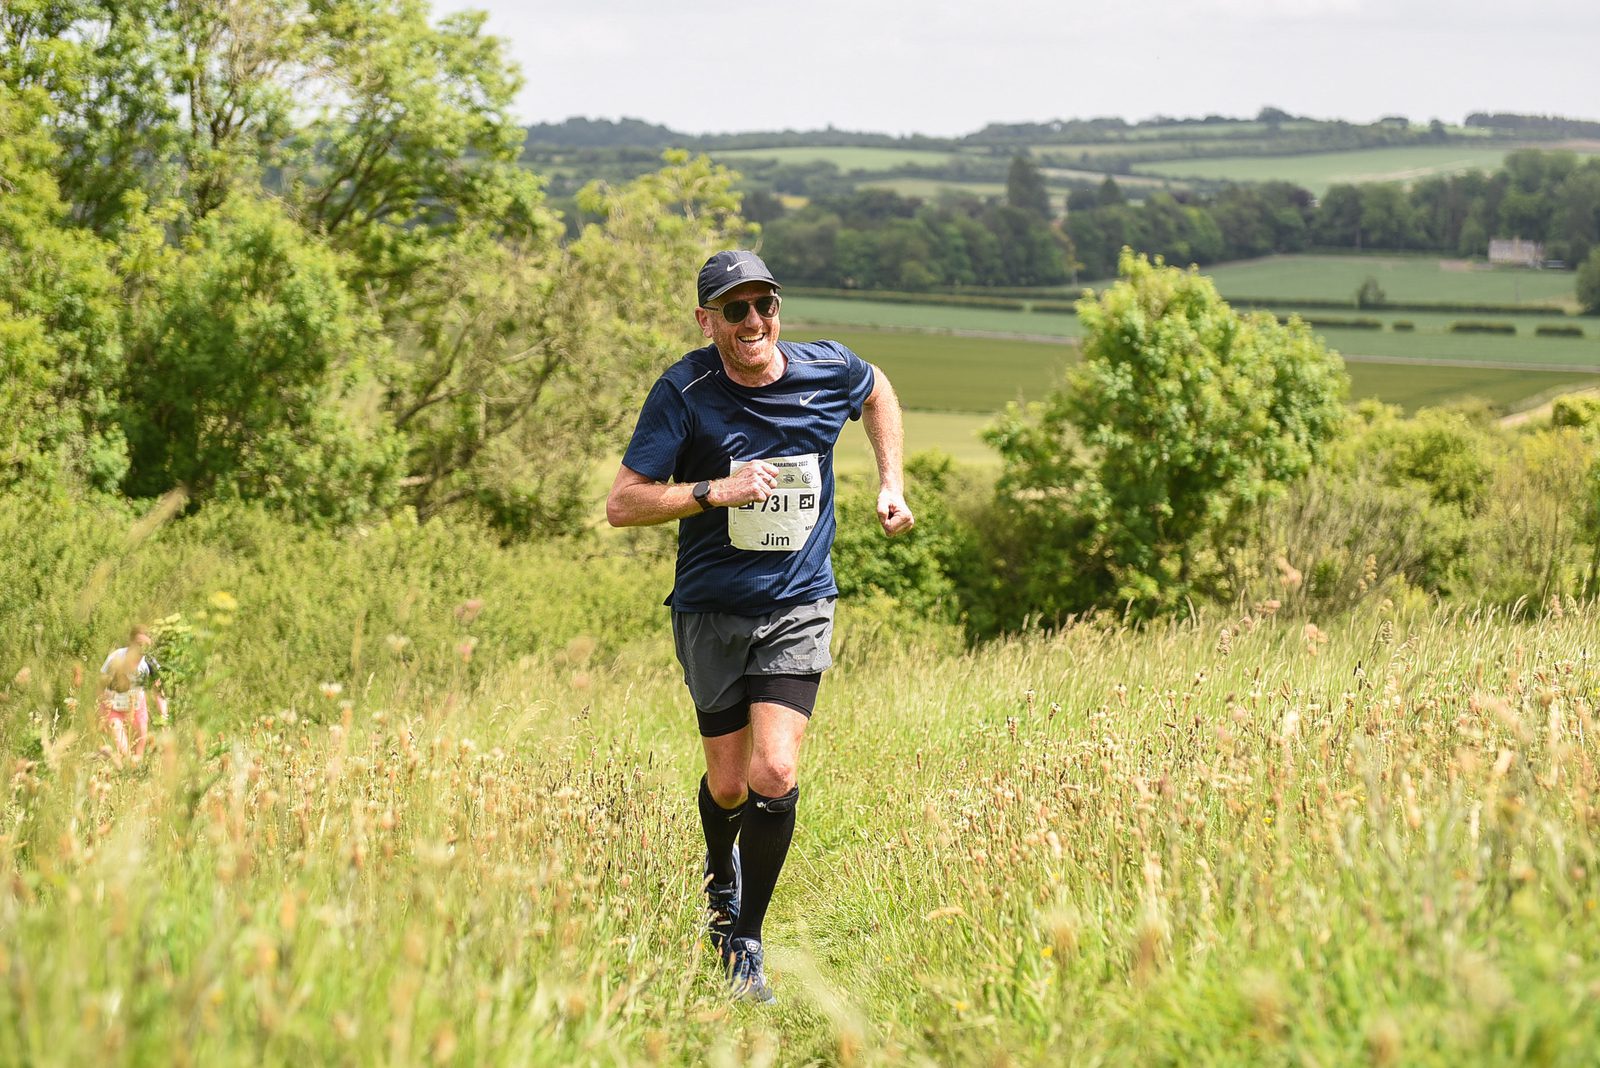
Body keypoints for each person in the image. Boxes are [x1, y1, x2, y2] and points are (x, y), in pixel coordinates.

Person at [606, 249, 914, 1002]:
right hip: (711, 608)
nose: (753, 322)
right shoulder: (684, 391)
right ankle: (720, 877)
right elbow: (623, 503)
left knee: (774, 772)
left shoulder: (825, 369)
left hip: (798, 601)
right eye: (734, 309)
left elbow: (878, 392)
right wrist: (718, 490)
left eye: (764, 306)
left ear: (779, 309)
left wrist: (889, 482)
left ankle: (745, 937)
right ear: (707, 319)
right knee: (730, 781)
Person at [99, 624, 164, 761]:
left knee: (138, 753)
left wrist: (164, 717)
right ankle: (125, 768)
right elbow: (100, 686)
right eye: (138, 644)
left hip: (137, 708)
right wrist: (101, 713)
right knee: (124, 751)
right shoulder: (116, 658)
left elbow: (158, 692)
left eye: (146, 646)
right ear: (131, 643)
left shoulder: (149, 663)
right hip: (113, 708)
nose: (142, 649)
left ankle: (134, 776)